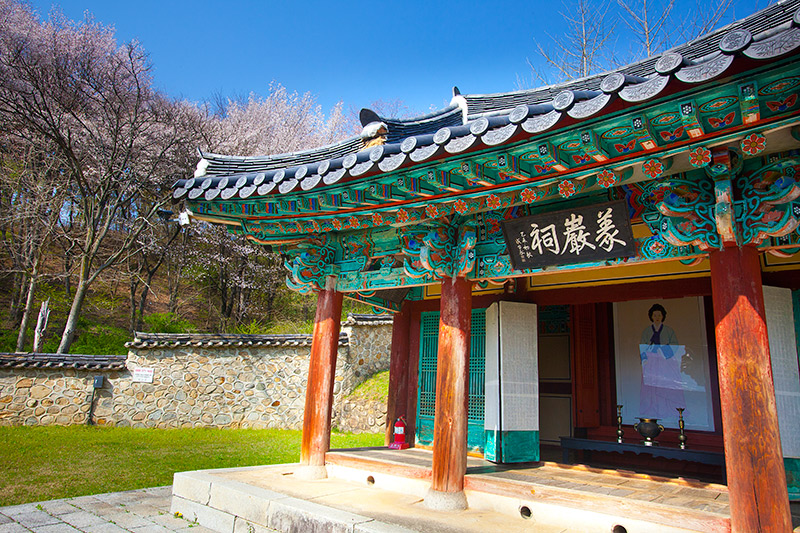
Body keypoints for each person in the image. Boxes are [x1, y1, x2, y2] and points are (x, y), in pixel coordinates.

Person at [639, 303, 685, 419]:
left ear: (663, 316)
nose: (657, 317)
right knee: (651, 388)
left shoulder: (669, 331)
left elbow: (675, 345)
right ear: (651, 317)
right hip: (651, 362)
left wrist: (663, 350)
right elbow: (643, 347)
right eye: (655, 315)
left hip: (666, 361)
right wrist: (645, 358)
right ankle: (652, 409)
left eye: (659, 315)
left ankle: (669, 409)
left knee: (667, 385)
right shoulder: (646, 331)